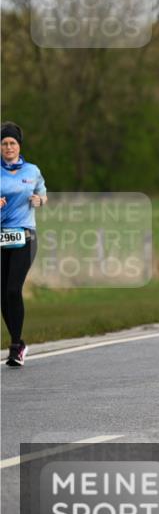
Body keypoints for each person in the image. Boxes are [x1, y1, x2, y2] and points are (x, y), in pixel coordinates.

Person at [1, 122, 46, 367]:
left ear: (19, 146)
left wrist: (40, 200)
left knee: (12, 290)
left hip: (25, 238)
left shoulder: (32, 171)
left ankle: (16, 346)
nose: (8, 147)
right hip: (1, 237)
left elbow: (43, 195)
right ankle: (19, 342)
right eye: (4, 143)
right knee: (2, 295)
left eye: (12, 143)